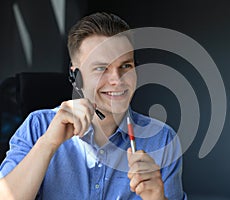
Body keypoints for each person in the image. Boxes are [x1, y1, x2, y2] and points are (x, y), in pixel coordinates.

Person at [0, 12, 186, 199]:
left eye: (126, 66)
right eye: (101, 68)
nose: (117, 80)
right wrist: (48, 143)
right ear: (76, 77)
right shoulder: (38, 126)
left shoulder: (162, 139)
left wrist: (158, 198)